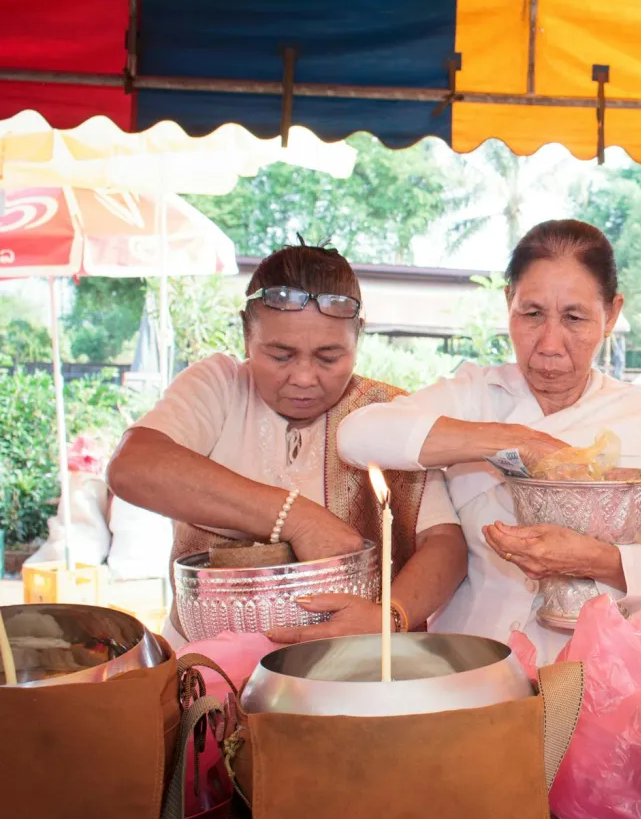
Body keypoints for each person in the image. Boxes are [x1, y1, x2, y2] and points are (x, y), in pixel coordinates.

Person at [338, 220, 641, 663]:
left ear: (611, 314)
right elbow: (357, 435)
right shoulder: (475, 397)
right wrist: (511, 441)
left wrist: (594, 558)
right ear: (507, 302)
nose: (550, 344)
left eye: (574, 318)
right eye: (531, 314)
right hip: (472, 663)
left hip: (596, 676)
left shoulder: (638, 416)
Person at [107, 243, 467, 649]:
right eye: (280, 355)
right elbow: (131, 465)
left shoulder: (384, 415)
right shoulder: (220, 388)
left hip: (347, 668)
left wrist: (390, 617)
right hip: (208, 673)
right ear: (246, 335)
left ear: (358, 338)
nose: (303, 377)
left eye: (329, 357)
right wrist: (295, 518)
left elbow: (445, 543)